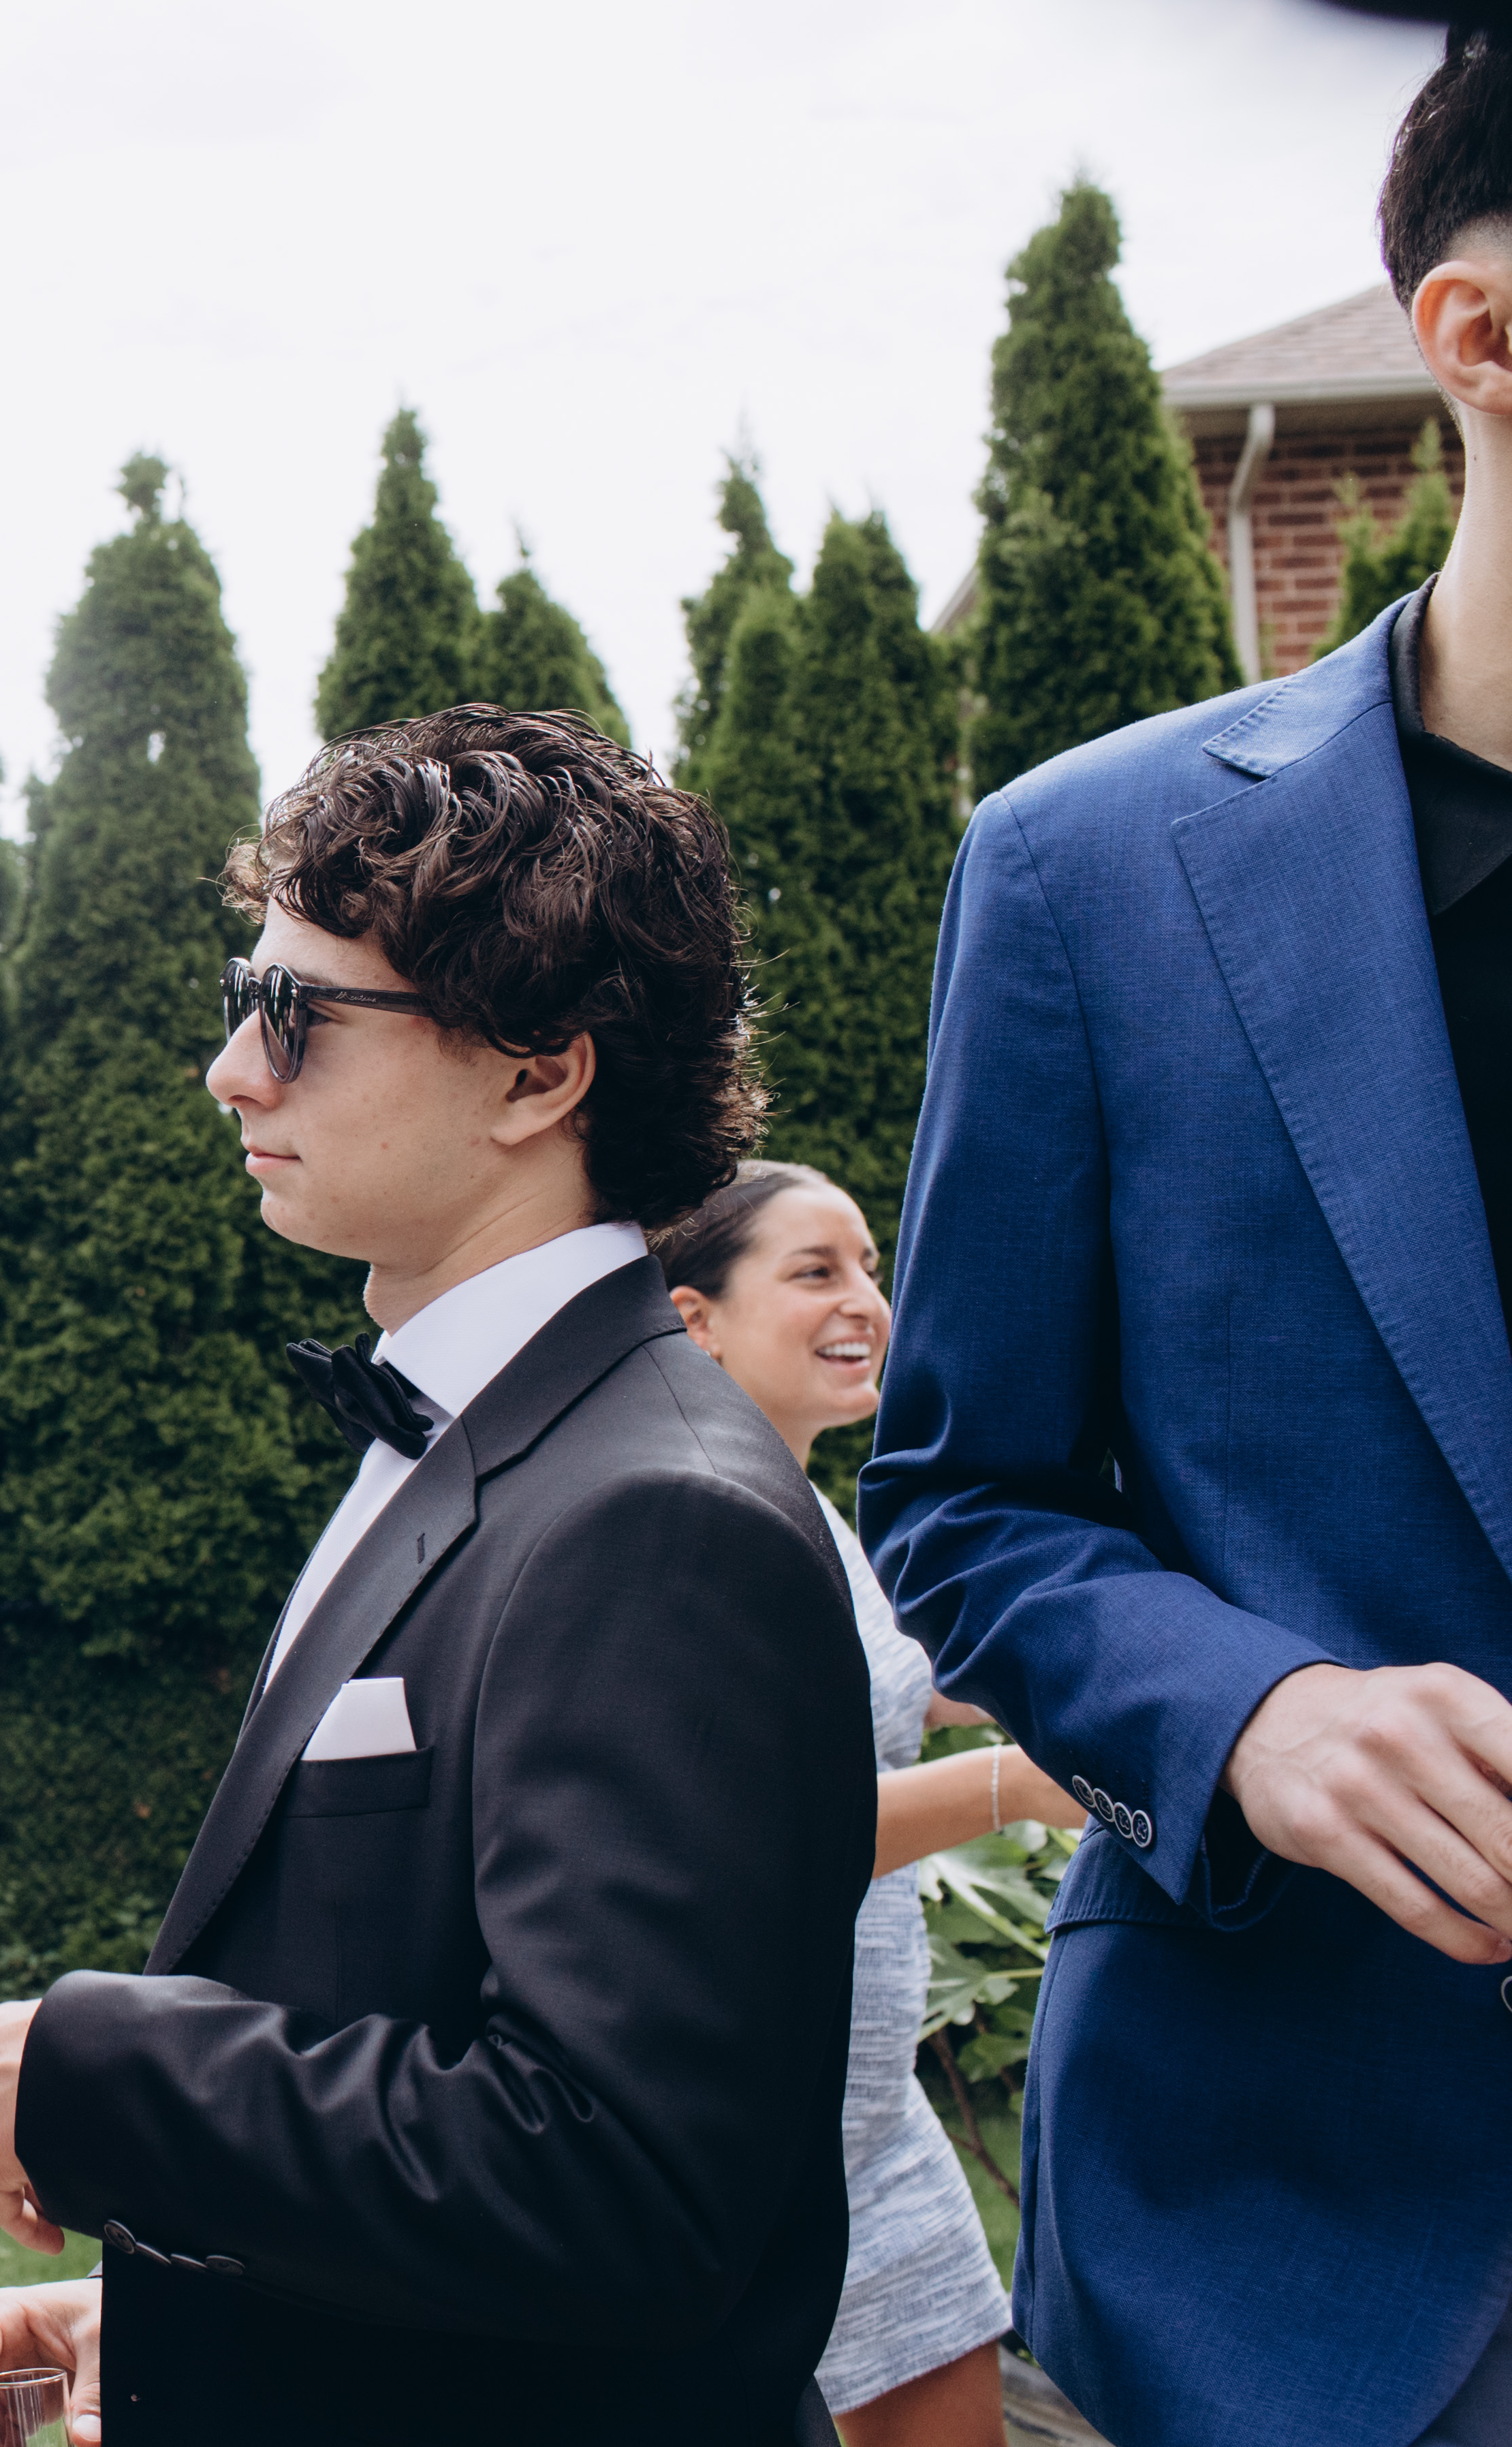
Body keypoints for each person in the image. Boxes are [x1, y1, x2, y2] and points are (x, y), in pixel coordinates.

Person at [0, 706, 879, 2447]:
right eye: (245, 996)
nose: (232, 1069)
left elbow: (621, 2180)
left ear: (537, 1076)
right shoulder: (489, 1435)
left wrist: (104, 2069)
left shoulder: (657, 1516)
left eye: (297, 1014)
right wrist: (168, 2315)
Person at [866, 40, 1512, 2447]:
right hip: (1293, 2254)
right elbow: (962, 1500)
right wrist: (1249, 1715)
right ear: (1475, 334)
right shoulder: (1087, 874)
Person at [658, 1161, 1085, 2447]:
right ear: (693, 1321)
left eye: (869, 1267)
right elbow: (759, 1832)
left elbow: (910, 1682)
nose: (867, 1302)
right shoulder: (683, 1519)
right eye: (815, 1271)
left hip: (873, 2117)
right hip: (745, 2144)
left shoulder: (806, 1510)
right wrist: (1017, 1784)